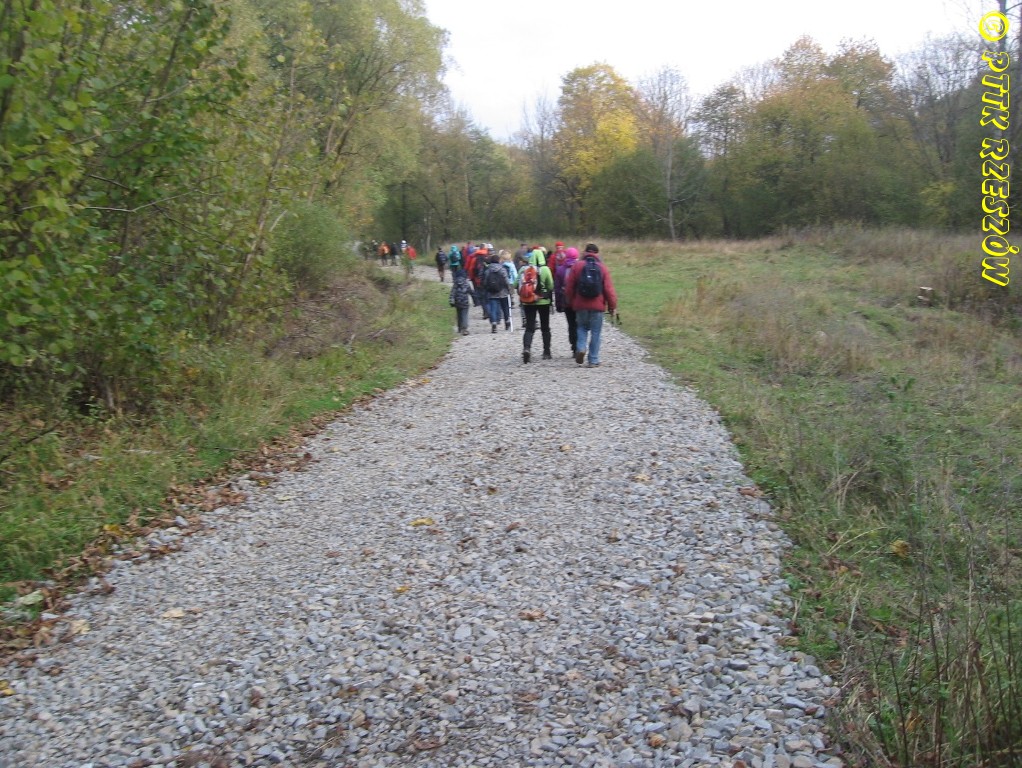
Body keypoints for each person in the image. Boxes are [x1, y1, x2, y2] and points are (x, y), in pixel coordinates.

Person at [565, 243, 617, 368]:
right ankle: (593, 360)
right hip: (597, 306)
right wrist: (612, 306)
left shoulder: (577, 266)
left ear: (585, 252)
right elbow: (609, 290)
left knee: (581, 328)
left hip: (580, 305)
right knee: (596, 332)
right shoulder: (602, 268)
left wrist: (569, 301)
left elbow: (569, 287)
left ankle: (581, 348)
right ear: (597, 254)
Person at [518, 247, 555, 363]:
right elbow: (551, 286)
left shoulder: (523, 269)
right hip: (543, 302)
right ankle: (546, 352)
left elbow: (515, 284)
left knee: (529, 327)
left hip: (528, 301)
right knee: (545, 327)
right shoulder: (545, 269)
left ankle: (527, 348)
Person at [554, 246, 580, 356]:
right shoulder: (580, 267)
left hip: (567, 301)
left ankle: (574, 346)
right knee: (579, 324)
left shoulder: (560, 269)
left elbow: (557, 289)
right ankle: (580, 345)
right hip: (579, 301)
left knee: (571, 324)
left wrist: (558, 304)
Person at [481, 252, 512, 333]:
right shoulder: (502, 269)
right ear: (498, 260)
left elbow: (485, 281)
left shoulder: (488, 270)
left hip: (492, 292)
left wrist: (486, 289)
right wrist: (509, 289)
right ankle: (507, 321)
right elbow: (506, 280)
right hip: (503, 291)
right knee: (505, 307)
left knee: (493, 308)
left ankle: (494, 324)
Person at [448, 268, 475, 335]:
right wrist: (475, 300)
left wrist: (451, 300)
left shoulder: (455, 283)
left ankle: (459, 327)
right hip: (465, 301)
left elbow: (453, 292)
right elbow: (471, 292)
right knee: (464, 315)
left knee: (459, 315)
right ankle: (464, 329)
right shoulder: (466, 283)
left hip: (457, 302)